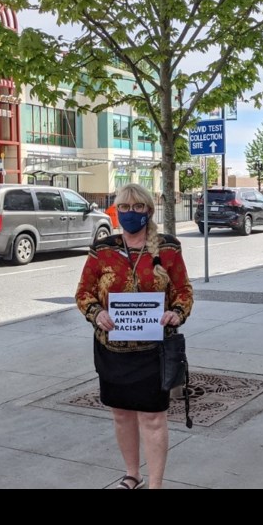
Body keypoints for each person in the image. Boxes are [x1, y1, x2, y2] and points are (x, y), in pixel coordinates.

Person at [75, 183, 193, 489]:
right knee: (122, 415)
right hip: (112, 350)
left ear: (149, 211)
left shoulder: (167, 248)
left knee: (153, 419)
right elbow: (84, 293)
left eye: (137, 207)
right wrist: (96, 314)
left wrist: (176, 314)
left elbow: (183, 291)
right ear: (116, 211)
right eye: (124, 208)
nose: (130, 213)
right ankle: (132, 474)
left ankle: (155, 484)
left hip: (153, 351)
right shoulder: (102, 249)